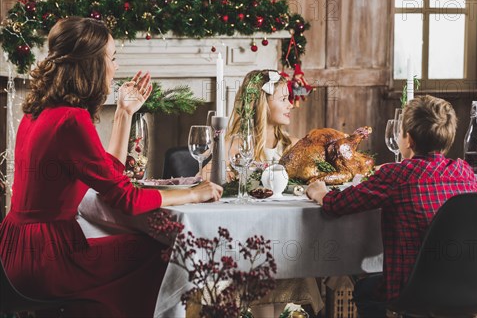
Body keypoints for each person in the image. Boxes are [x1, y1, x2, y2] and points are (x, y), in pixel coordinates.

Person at [0, 17, 223, 317]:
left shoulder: (38, 111)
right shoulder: (71, 120)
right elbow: (127, 199)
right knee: (166, 253)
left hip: (13, 249)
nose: (116, 66)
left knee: (131, 245)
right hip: (48, 259)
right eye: (113, 57)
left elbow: (108, 176)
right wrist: (196, 193)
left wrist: (124, 113)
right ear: (92, 64)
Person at [306, 95, 477, 318]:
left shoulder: (397, 175)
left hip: (414, 292)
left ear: (407, 139)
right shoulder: (464, 171)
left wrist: (320, 193)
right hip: (466, 287)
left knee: (365, 289)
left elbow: (340, 205)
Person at [226, 69, 323, 317]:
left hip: (283, 238)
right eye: (283, 99)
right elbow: (209, 178)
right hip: (245, 242)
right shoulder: (235, 146)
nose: (291, 104)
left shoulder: (290, 147)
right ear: (262, 104)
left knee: (280, 288)